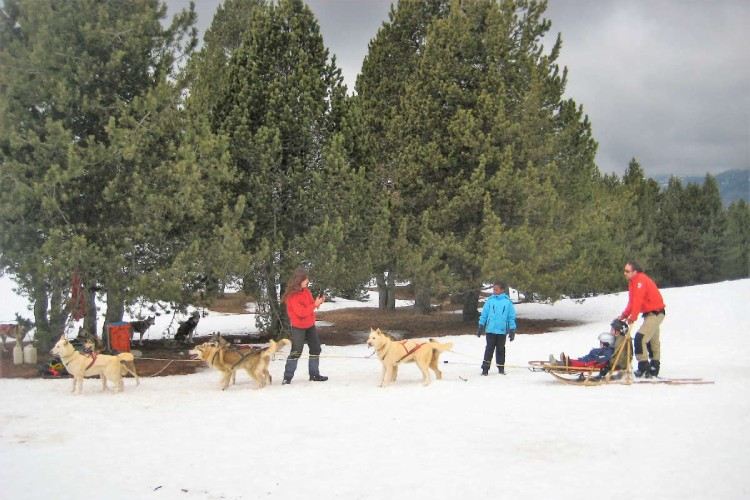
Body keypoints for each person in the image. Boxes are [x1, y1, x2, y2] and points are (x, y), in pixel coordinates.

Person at [619, 260, 666, 378]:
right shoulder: (632, 282)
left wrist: (633, 317)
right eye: (624, 271)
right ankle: (653, 367)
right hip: (649, 314)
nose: (625, 273)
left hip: (655, 313)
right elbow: (632, 301)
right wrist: (624, 315)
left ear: (635, 271)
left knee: (640, 338)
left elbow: (638, 300)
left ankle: (644, 367)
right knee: (653, 341)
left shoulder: (640, 280)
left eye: (627, 271)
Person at [281, 268, 327, 384]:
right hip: (298, 326)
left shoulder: (306, 291)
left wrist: (318, 302)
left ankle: (314, 375)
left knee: (316, 348)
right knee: (296, 351)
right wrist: (314, 305)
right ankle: (287, 377)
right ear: (299, 280)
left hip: (310, 325)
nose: (308, 281)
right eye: (305, 279)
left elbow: (310, 305)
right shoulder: (292, 296)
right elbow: (301, 313)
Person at [477, 281, 517, 375]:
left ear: (502, 290)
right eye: (493, 289)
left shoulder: (507, 302)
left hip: (502, 331)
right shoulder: (490, 301)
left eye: (496, 289)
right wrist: (481, 325)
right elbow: (484, 314)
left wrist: (512, 329)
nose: (494, 291)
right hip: (490, 330)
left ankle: (501, 368)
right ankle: (485, 368)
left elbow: (511, 317)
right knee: (489, 349)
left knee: (500, 349)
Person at [549, 331, 616, 369]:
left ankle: (559, 364)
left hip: (589, 364)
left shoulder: (608, 351)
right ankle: (561, 362)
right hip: (587, 360)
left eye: (601, 342)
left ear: (606, 343)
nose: (600, 344)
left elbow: (604, 359)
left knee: (573, 363)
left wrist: (595, 357)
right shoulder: (605, 350)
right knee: (577, 360)